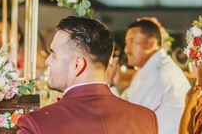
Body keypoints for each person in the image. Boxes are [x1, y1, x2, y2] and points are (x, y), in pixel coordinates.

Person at [17, 16, 158, 134]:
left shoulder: (36, 124)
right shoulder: (145, 118)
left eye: (53, 54)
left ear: (77, 65)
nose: (47, 61)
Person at [107, 18, 190, 134]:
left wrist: (110, 83)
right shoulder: (150, 68)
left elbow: (127, 119)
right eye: (126, 43)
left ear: (151, 43)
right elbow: (126, 107)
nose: (126, 49)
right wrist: (113, 83)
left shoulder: (159, 72)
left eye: (132, 41)